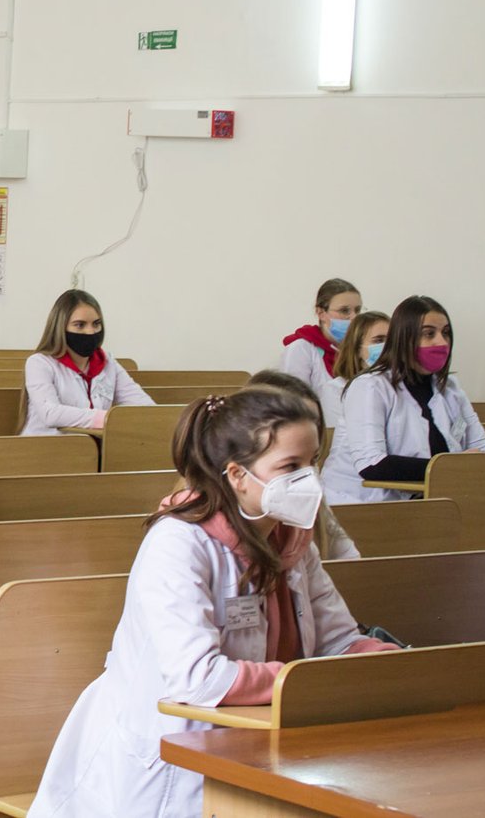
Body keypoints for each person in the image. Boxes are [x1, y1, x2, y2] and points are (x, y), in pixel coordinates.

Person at [27, 388, 398, 817]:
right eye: (291, 467)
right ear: (237, 475)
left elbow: (339, 640)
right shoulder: (178, 543)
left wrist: (389, 662)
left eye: (313, 463)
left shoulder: (294, 541)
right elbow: (198, 678)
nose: (309, 480)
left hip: (263, 742)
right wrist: (306, 683)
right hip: (172, 758)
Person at [323, 295, 485, 505]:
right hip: (361, 502)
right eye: (429, 334)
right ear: (403, 338)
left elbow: (484, 448)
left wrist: (463, 466)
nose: (441, 342)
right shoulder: (369, 387)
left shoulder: (450, 387)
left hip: (428, 499)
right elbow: (372, 464)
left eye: (445, 333)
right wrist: (453, 467)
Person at [244, 369, 359, 560]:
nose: (308, 428)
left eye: (314, 421)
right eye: (290, 466)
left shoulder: (309, 486)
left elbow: (347, 558)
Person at [21, 289, 152, 436]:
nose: (90, 332)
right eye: (80, 325)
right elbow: (50, 413)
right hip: (43, 447)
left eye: (96, 324)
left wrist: (154, 417)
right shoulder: (39, 363)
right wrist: (108, 418)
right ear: (60, 328)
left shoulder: (108, 363)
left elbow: (143, 405)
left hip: (91, 448)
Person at [277, 277, 362, 422]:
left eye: (357, 310)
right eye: (344, 310)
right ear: (321, 313)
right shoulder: (301, 349)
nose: (354, 317)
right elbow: (292, 404)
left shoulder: (361, 350)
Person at [322, 310, 390, 427]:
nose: (387, 347)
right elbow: (335, 433)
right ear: (357, 348)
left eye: (391, 340)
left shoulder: (401, 384)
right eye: (378, 340)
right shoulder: (336, 389)